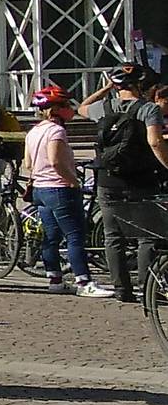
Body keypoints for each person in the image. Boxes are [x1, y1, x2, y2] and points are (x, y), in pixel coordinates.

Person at [94, 66, 168, 303]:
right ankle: (148, 287)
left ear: (116, 86)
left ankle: (121, 290)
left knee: (112, 236)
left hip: (108, 180)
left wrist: (106, 88)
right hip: (141, 179)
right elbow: (155, 142)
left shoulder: (104, 108)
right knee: (146, 236)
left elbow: (82, 107)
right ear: (140, 85)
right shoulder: (148, 109)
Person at [27, 86, 109, 296]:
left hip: (40, 188)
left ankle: (54, 279)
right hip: (59, 188)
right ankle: (84, 282)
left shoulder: (33, 131)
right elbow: (55, 161)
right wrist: (73, 180)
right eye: (65, 105)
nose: (69, 109)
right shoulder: (57, 131)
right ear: (54, 109)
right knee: (75, 236)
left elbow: (27, 163)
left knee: (51, 236)